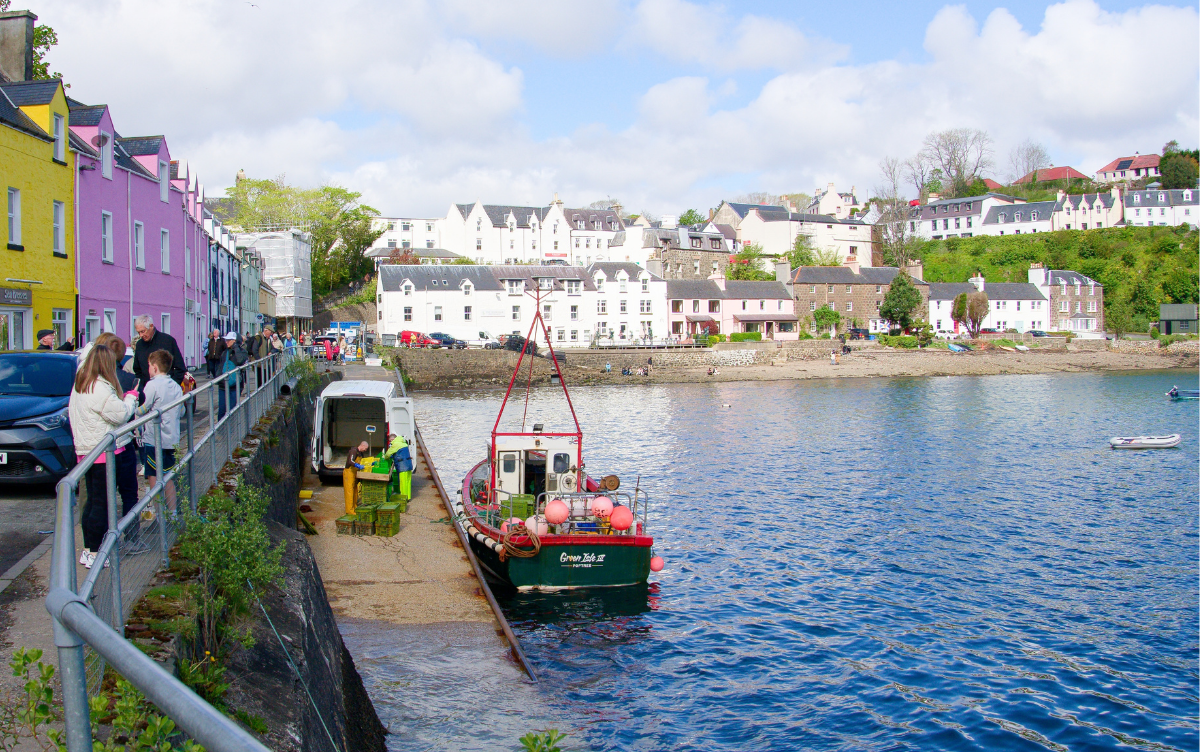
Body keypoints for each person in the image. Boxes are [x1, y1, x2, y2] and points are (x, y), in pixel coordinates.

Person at [69, 344, 141, 569]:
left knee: (92, 502)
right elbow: (120, 415)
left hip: (87, 450)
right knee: (101, 503)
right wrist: (131, 398)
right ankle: (94, 552)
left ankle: (89, 549)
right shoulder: (99, 388)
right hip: (102, 452)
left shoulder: (81, 383)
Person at [134, 350, 183, 516]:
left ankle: (158, 511)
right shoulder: (176, 386)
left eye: (149, 366)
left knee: (153, 475)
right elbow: (182, 411)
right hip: (172, 439)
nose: (148, 369)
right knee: (169, 476)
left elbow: (143, 408)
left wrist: (131, 406)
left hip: (154, 439)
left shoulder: (152, 385)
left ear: (154, 367)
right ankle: (173, 512)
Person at [132, 314, 186, 393]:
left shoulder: (168, 341)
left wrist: (171, 387)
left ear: (151, 326)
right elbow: (137, 370)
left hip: (167, 391)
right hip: (146, 392)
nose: (141, 335)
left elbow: (180, 368)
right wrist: (142, 387)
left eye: (143, 331)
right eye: (138, 332)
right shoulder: (139, 345)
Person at [216, 332, 246, 421]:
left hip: (235, 385)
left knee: (232, 409)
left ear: (234, 341)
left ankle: (231, 429)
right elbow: (221, 365)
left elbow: (240, 361)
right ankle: (221, 430)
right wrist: (218, 378)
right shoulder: (225, 352)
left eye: (229, 340)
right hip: (223, 385)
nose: (226, 342)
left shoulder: (242, 351)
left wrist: (235, 347)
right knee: (222, 409)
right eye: (226, 340)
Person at [381, 433, 413, 500]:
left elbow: (387, 454)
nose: (390, 442)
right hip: (408, 465)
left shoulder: (395, 444)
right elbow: (400, 453)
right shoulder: (403, 443)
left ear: (393, 439)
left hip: (402, 466)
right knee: (408, 482)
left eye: (390, 441)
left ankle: (403, 498)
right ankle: (408, 497)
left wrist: (386, 458)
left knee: (402, 483)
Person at [343, 440, 371, 515]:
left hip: (355, 474)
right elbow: (350, 461)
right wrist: (357, 465)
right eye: (365, 448)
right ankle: (349, 510)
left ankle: (354, 507)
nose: (365, 450)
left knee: (355, 491)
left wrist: (370, 463)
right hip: (349, 473)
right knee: (349, 491)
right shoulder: (354, 451)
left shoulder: (361, 453)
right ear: (362, 445)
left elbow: (363, 462)